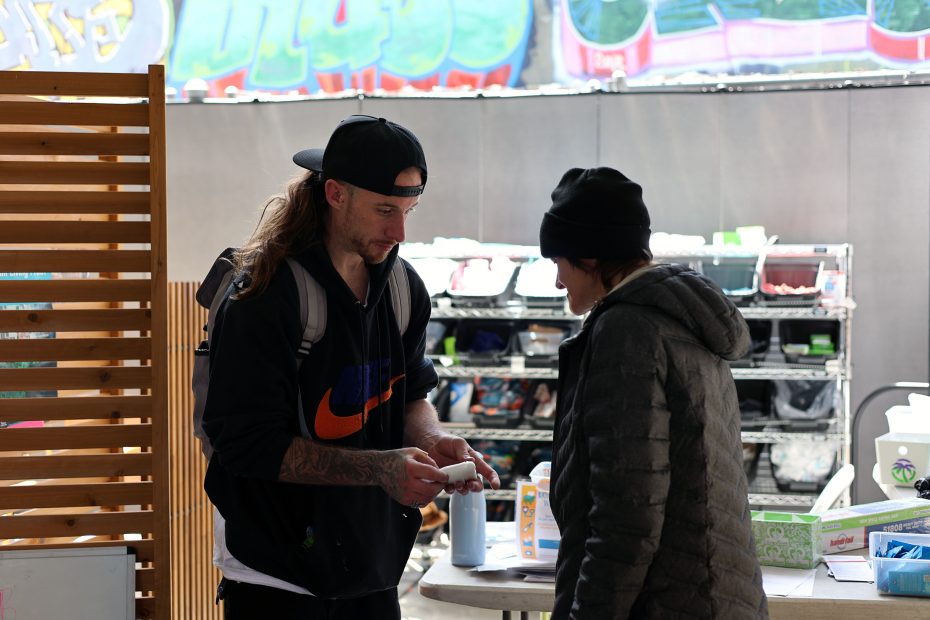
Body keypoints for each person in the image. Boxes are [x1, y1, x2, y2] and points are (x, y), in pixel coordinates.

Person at [202, 114, 500, 619]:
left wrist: (432, 440)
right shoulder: (265, 295)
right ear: (336, 194)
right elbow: (247, 445)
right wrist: (379, 469)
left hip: (370, 566)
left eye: (408, 210)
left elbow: (410, 396)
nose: (399, 231)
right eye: (385, 210)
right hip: (276, 576)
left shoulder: (403, 288)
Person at [538, 167, 769, 619]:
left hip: (663, 602)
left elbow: (627, 514)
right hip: (712, 594)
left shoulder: (626, 330)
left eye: (558, 262)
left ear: (590, 256)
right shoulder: (683, 321)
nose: (558, 282)